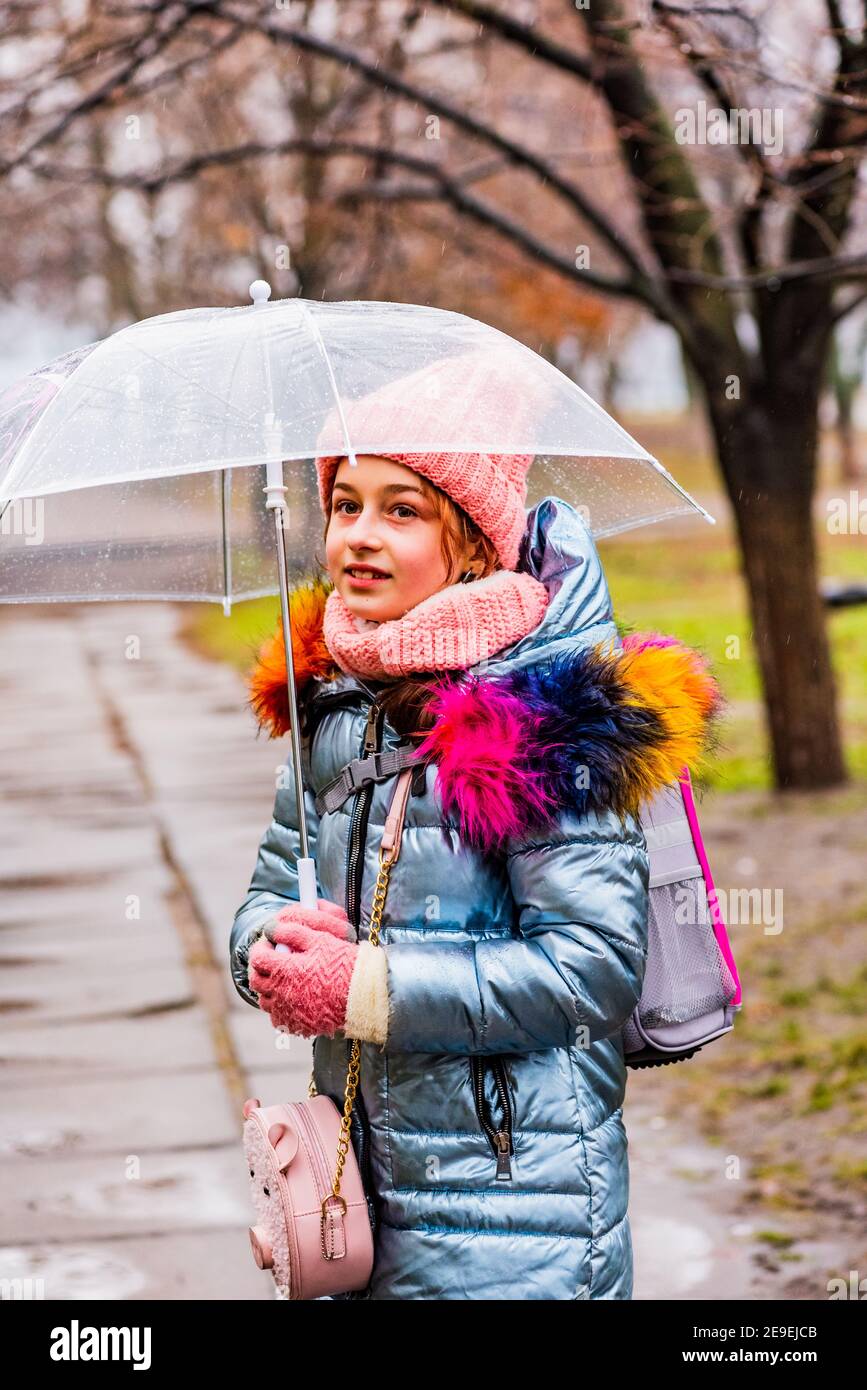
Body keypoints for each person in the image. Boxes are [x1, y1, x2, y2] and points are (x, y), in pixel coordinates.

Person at [230, 431, 723, 1301]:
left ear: (469, 543)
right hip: (364, 1194)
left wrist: (362, 990)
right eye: (346, 505)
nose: (360, 534)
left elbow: (591, 971)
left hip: (518, 1213)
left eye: (402, 509)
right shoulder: (335, 703)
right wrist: (268, 947)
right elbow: (269, 887)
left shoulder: (542, 714)